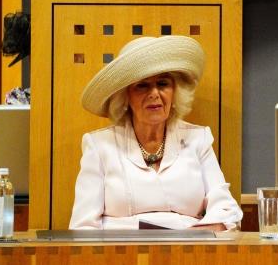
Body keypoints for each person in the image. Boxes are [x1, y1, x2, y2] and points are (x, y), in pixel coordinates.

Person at [69, 35, 242, 230]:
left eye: (162, 84)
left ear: (175, 92)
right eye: (142, 85)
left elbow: (225, 209)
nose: (154, 94)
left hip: (188, 246)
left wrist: (195, 237)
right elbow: (83, 226)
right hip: (120, 247)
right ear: (125, 96)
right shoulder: (100, 145)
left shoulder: (197, 139)